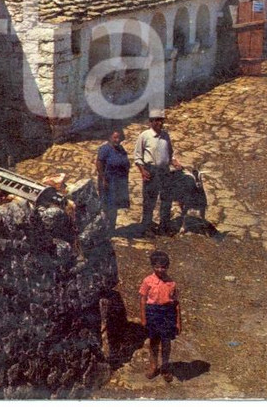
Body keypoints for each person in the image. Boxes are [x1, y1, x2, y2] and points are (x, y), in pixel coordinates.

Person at [133, 109, 181, 235]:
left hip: (165, 171)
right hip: (151, 171)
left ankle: (164, 226)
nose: (160, 123)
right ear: (151, 122)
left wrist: (174, 162)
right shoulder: (144, 136)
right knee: (149, 200)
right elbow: (138, 157)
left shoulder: (165, 135)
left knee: (166, 199)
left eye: (162, 120)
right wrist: (143, 171)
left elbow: (170, 153)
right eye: (158, 121)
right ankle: (146, 227)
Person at [139, 250, 182, 382]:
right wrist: (143, 317)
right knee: (154, 341)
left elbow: (176, 303)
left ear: (167, 267)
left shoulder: (171, 283)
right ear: (153, 266)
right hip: (153, 312)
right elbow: (143, 299)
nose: (160, 270)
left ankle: (165, 366)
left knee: (166, 342)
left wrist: (178, 322)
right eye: (157, 267)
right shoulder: (148, 281)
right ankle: (153, 366)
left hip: (168, 313)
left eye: (163, 267)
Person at [95, 128, 130, 233]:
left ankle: (112, 228)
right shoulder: (105, 149)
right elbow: (99, 163)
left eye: (119, 137)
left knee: (114, 206)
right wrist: (103, 179)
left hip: (118, 181)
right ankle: (105, 229)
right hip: (108, 181)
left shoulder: (120, 149)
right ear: (110, 137)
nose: (117, 140)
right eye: (115, 137)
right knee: (107, 205)